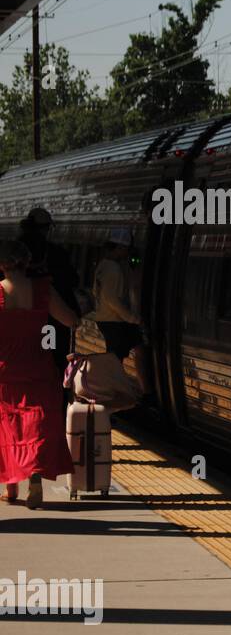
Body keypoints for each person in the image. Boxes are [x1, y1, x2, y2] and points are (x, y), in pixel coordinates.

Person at [0, 239, 78, 508]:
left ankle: (11, 487)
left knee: (8, 426)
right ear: (28, 261)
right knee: (36, 422)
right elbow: (70, 320)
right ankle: (34, 473)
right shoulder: (43, 289)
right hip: (39, 366)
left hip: (5, 370)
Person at [19, 207, 80, 376]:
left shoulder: (13, 251)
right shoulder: (56, 252)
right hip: (51, 321)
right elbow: (73, 280)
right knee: (53, 359)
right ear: (46, 228)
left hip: (21, 323)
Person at [86, 229, 148, 392]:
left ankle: (125, 390)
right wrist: (132, 318)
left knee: (131, 352)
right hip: (115, 320)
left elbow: (96, 292)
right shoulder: (113, 269)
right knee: (117, 360)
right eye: (126, 249)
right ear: (120, 248)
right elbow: (111, 299)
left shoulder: (103, 265)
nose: (127, 253)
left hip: (107, 318)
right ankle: (113, 392)